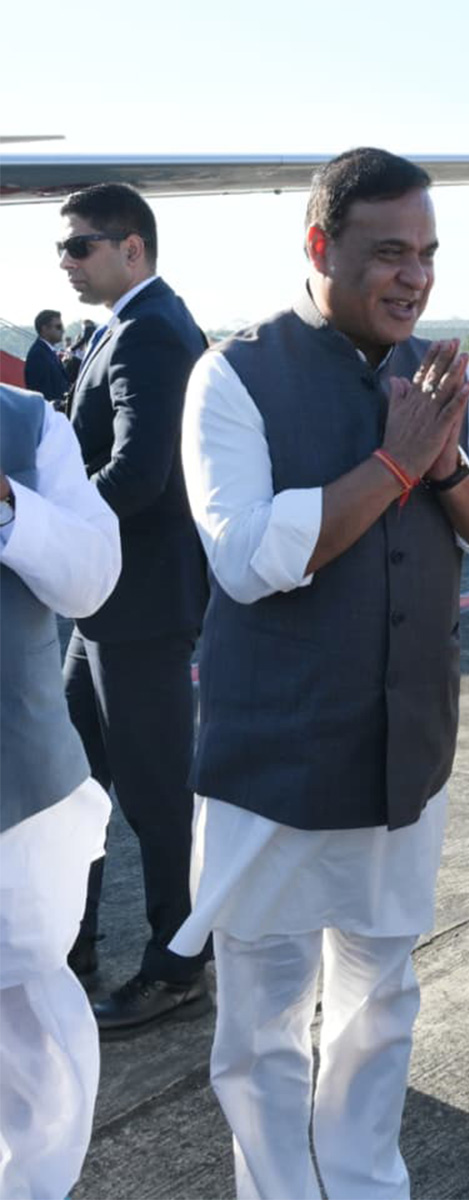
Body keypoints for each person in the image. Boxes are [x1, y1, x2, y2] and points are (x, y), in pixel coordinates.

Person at [173, 146, 469, 1199]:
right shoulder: (231, 376)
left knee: (381, 1002)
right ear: (319, 246)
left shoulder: (442, 380)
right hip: (275, 765)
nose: (413, 276)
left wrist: (447, 462)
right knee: (264, 1020)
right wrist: (388, 467)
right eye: (388, 253)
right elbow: (247, 560)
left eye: (426, 254)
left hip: (402, 761)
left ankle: (369, 1186)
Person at [56, 182, 212, 1032]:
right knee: (76, 782)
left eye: (80, 246)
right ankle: (64, 946)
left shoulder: (150, 332)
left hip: (140, 607)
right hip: (109, 607)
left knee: (156, 797)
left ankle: (179, 964)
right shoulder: (125, 323)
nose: (68, 262)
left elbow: (139, 475)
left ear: (132, 249)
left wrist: (45, 522)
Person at [0, 383, 120, 1200]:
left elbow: (91, 577)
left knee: (29, 1026)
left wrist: (7, 504)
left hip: (16, 795)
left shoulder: (23, 422)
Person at [25, 309, 71, 407]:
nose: (63, 330)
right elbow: (42, 392)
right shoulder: (38, 354)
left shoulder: (48, 352)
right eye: (58, 327)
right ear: (44, 329)